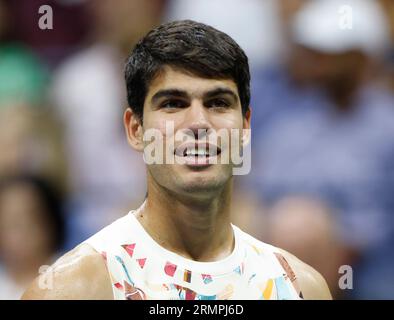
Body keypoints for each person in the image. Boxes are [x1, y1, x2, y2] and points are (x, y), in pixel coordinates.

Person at [22, 20, 331, 300]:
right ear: (135, 129)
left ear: (245, 127)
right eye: (173, 103)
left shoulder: (301, 287)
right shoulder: (70, 291)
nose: (198, 123)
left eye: (218, 103)